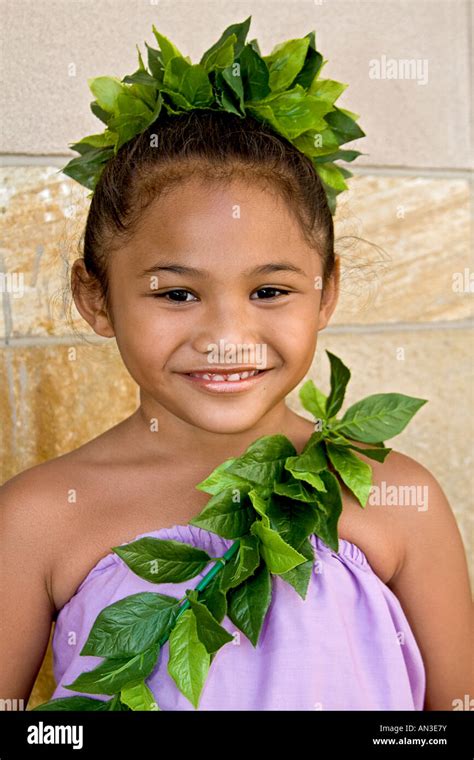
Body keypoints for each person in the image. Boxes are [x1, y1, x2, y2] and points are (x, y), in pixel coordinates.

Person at [1, 39, 472, 712]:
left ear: (326, 291)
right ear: (96, 297)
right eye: (177, 294)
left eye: (271, 292)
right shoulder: (35, 520)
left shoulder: (399, 501)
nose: (227, 339)